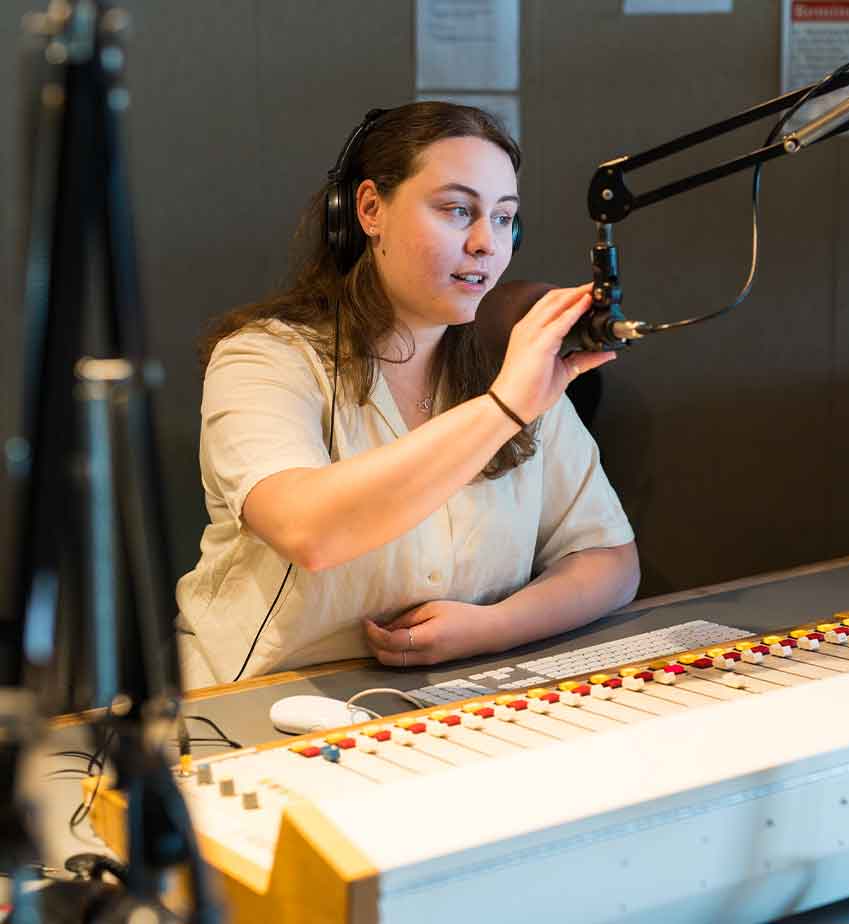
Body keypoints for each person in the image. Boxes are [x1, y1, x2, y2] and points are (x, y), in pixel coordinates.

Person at [175, 102, 640, 689]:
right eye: (456, 210)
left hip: (453, 691)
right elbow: (309, 532)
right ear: (369, 210)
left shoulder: (509, 365)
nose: (484, 244)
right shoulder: (264, 358)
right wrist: (503, 410)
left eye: (503, 218)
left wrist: (489, 628)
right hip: (259, 699)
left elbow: (609, 561)